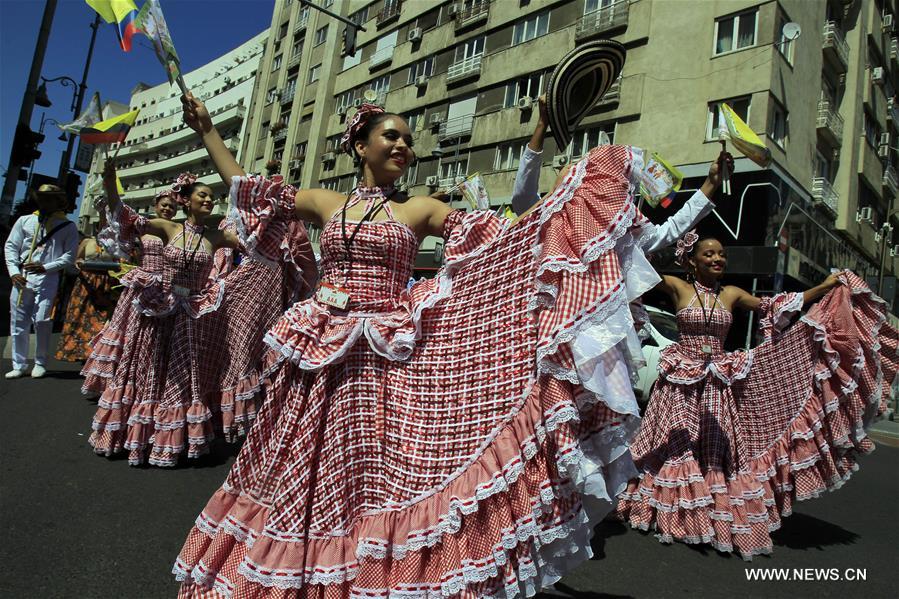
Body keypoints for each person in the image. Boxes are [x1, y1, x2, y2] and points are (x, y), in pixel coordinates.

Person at [171, 92, 723, 597]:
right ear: (361, 146)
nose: (403, 146)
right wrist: (207, 132)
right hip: (320, 350)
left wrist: (568, 198)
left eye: (409, 140)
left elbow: (503, 236)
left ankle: (366, 574)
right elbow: (251, 190)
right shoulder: (324, 201)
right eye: (391, 136)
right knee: (300, 464)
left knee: (371, 473)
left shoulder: (418, 211)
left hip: (381, 358)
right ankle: (296, 568)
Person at [616, 233, 899, 559]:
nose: (717, 259)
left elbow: (774, 304)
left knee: (712, 452)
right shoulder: (678, 287)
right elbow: (638, 269)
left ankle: (704, 514)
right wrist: (643, 234)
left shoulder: (732, 294)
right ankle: (670, 511)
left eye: (721, 254)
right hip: (681, 381)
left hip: (717, 382)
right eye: (708, 254)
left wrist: (822, 288)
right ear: (692, 260)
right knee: (680, 447)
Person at [80, 189, 178, 397]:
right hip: (142, 285)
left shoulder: (178, 231)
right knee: (130, 331)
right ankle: (118, 381)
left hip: (166, 289)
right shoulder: (144, 225)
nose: (168, 208)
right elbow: (121, 211)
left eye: (172, 206)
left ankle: (147, 381)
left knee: (155, 338)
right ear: (155, 205)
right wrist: (109, 182)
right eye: (164, 204)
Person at [5, 184, 78, 379]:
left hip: (48, 278)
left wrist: (46, 267)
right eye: (42, 197)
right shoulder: (25, 220)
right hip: (23, 277)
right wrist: (13, 272)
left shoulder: (68, 226)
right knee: (18, 321)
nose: (45, 201)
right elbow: (11, 247)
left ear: (58, 201)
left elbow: (70, 256)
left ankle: (40, 362)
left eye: (50, 198)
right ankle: (18, 364)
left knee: (42, 320)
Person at [53, 234, 122, 363]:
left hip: (105, 283)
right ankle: (78, 351)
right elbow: (76, 259)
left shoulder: (117, 243)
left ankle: (98, 352)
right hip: (86, 282)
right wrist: (78, 262)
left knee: (102, 317)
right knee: (80, 316)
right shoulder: (87, 241)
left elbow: (121, 261)